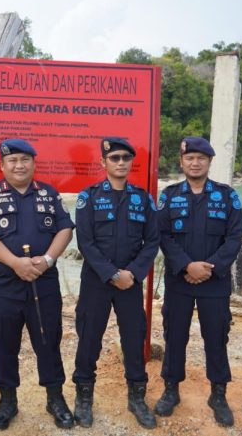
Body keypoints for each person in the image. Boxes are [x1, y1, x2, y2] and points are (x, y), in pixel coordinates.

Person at [0, 138, 75, 430]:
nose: (19, 165)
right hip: (3, 284)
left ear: (33, 163)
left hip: (43, 281)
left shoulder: (48, 193)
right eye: (13, 160)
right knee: (3, 342)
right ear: (2, 165)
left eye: (25, 160)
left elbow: (65, 228)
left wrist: (47, 260)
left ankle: (55, 397)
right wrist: (14, 262)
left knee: (48, 339)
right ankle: (7, 401)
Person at [153, 137, 242, 427]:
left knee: (216, 338)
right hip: (179, 280)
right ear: (181, 162)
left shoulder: (228, 196)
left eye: (200, 158)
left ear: (209, 162)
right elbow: (162, 235)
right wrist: (186, 266)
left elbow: (234, 238)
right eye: (189, 158)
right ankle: (171, 390)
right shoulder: (168, 196)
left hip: (214, 282)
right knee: (175, 335)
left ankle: (218, 394)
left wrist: (210, 268)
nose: (195, 163)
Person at [72, 137, 160, 429]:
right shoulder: (89, 196)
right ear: (104, 163)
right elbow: (85, 241)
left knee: (134, 339)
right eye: (114, 158)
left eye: (125, 157)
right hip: (97, 281)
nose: (121, 162)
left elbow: (152, 241)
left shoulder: (143, 198)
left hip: (130, 283)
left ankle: (137, 398)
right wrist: (111, 274)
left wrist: (133, 274)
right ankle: (84, 396)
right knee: (88, 338)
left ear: (131, 162)